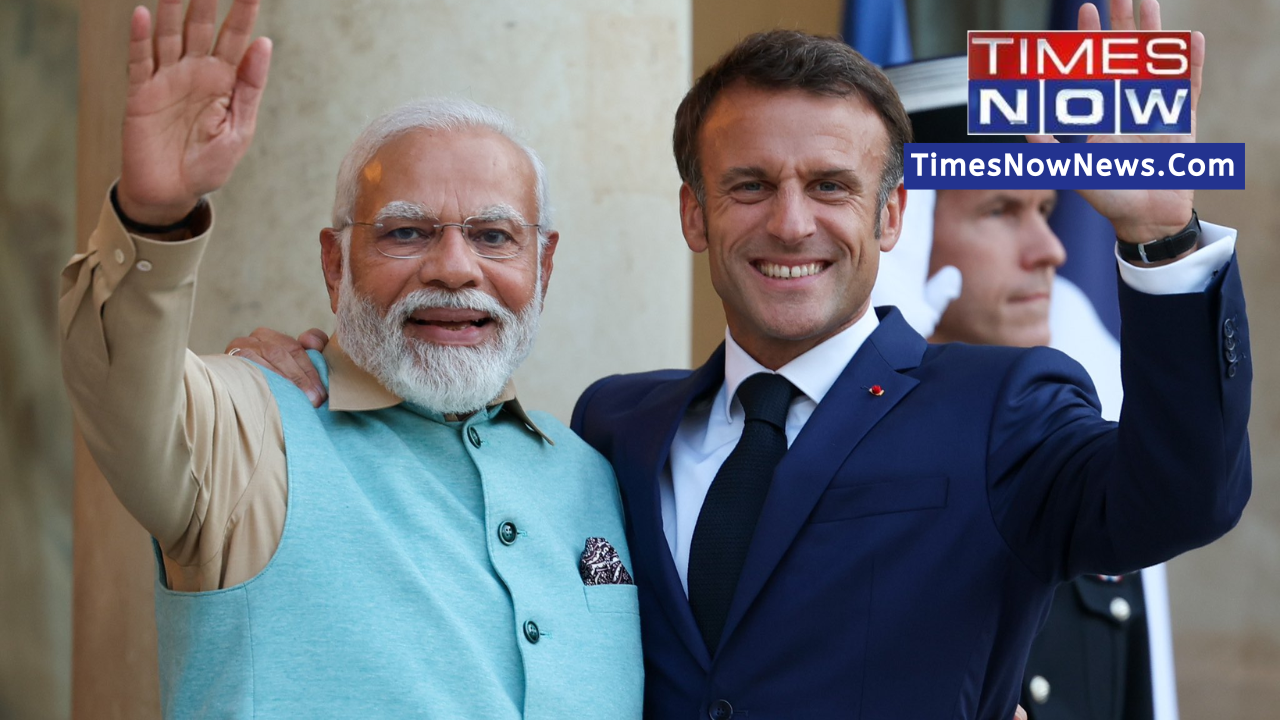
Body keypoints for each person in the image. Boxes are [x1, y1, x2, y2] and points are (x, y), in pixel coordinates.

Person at [239, 2, 1250, 718]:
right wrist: (332, 369)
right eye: (749, 185)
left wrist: (1159, 241)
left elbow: (1181, 496)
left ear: (889, 214)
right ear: (692, 213)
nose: (790, 223)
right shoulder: (612, 431)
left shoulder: (999, 408)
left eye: (829, 186)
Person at [58, 1, 641, 717]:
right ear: (335, 265)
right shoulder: (250, 433)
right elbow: (123, 392)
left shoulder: (594, 473)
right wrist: (152, 221)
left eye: (494, 236)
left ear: (543, 267)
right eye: (407, 232)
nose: (455, 268)